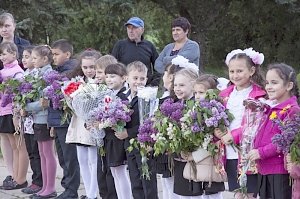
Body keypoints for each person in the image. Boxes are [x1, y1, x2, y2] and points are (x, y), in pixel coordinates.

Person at [216, 48, 266, 198]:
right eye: (232, 71)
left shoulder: (259, 95)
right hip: (230, 152)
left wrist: (235, 134)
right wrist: (218, 131)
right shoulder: (224, 94)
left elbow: (257, 123)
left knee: (248, 193)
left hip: (247, 152)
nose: (235, 75)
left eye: (239, 71)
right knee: (238, 193)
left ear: (251, 70)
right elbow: (217, 117)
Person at [249, 63, 300, 199]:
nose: (268, 87)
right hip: (264, 169)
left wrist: (261, 152)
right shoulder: (271, 108)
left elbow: (285, 140)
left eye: (274, 82)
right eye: (267, 83)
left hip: (279, 171)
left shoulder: (292, 110)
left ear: (289, 86)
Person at [116, 61, 158, 199]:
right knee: (134, 178)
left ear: (146, 79)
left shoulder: (148, 97)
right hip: (129, 145)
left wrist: (128, 132)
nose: (138, 81)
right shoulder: (123, 96)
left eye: (142, 78)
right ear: (127, 78)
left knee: (147, 179)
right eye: (135, 78)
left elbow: (147, 122)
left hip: (144, 144)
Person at [183, 74, 226, 199]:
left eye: (201, 92)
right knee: (197, 193)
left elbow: (215, 143)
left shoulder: (217, 113)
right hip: (197, 162)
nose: (197, 96)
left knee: (213, 193)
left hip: (210, 163)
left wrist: (194, 156)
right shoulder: (193, 111)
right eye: (195, 92)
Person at [65, 49, 101, 199]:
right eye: (85, 67)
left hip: (92, 126)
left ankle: (94, 193)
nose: (89, 71)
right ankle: (87, 191)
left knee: (94, 161)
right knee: (82, 160)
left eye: (92, 67)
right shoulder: (78, 82)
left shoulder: (101, 83)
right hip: (79, 124)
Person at [23, 45, 57, 199]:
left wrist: (27, 106)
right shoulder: (37, 73)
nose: (32, 60)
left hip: (45, 119)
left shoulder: (49, 74)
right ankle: (44, 186)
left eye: (35, 58)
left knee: (48, 154)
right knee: (42, 154)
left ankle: (50, 188)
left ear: (44, 59)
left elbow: (45, 101)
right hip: (38, 118)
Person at [48, 39, 80, 199]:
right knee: (63, 157)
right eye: (52, 54)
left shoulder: (71, 73)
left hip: (66, 121)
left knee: (70, 158)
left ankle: (71, 190)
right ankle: (67, 188)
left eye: (56, 54)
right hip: (57, 121)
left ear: (67, 54)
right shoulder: (58, 72)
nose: (53, 57)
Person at [0, 41, 28, 190]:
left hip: (14, 112)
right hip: (4, 112)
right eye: (0, 54)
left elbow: (17, 93)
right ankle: (15, 177)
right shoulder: (3, 71)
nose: (1, 57)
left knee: (19, 145)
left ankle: (21, 178)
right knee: (12, 146)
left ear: (13, 54)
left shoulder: (17, 71)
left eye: (4, 53)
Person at [103, 63, 131, 199]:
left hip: (118, 138)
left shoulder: (123, 97)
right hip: (110, 138)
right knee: (114, 172)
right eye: (107, 76)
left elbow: (123, 117)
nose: (109, 79)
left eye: (113, 76)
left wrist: (104, 122)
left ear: (123, 78)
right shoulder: (108, 94)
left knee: (120, 171)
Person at [94, 54, 118, 199]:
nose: (98, 75)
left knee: (110, 171)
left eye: (100, 72)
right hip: (99, 136)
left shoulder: (113, 93)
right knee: (100, 170)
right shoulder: (96, 89)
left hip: (111, 137)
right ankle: (103, 195)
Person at [111, 16, 161, 86]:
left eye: (134, 28)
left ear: (142, 30)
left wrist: (153, 84)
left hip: (145, 87)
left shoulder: (149, 46)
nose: (131, 31)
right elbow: (113, 68)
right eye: (128, 28)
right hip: (124, 87)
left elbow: (159, 67)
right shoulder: (120, 45)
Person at [20, 45, 43, 195]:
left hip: (35, 119)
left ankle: (39, 181)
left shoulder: (37, 75)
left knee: (36, 152)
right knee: (31, 151)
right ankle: (36, 180)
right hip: (25, 119)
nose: (25, 60)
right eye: (23, 57)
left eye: (28, 57)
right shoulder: (25, 75)